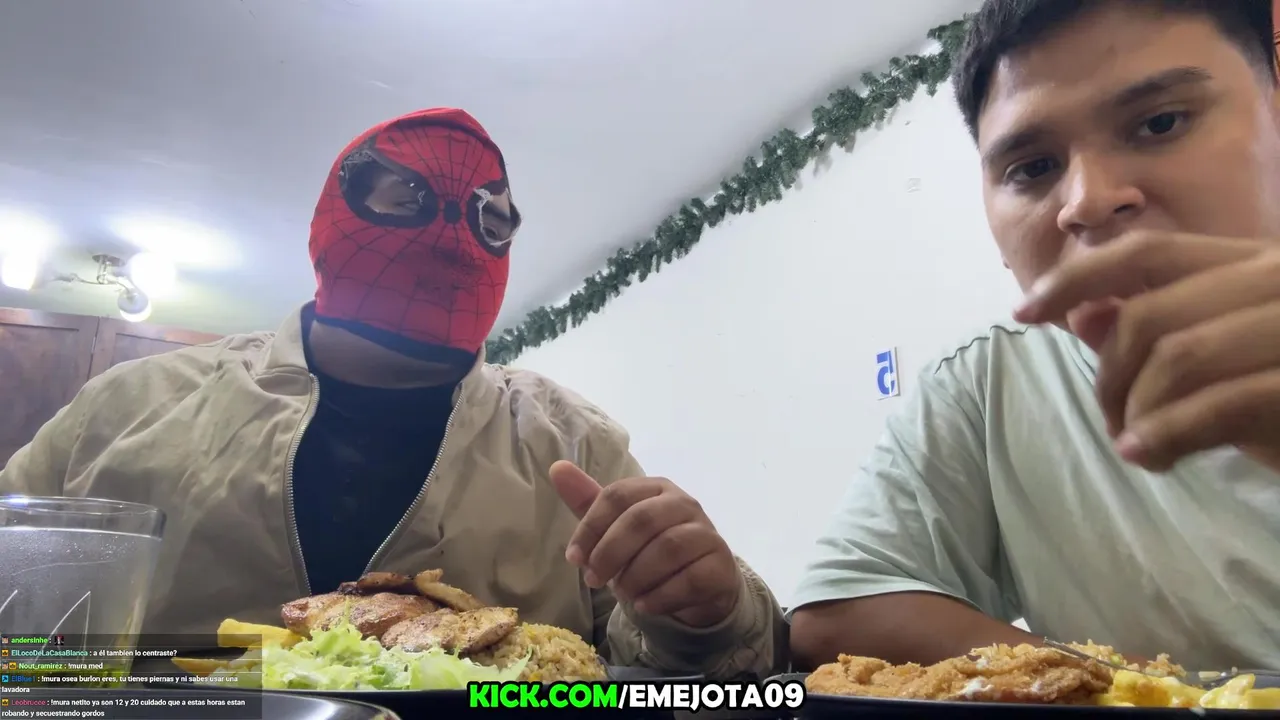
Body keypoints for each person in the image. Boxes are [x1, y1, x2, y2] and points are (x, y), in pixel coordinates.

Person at [0, 108, 786, 680]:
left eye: (492, 219)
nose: (454, 236)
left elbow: (686, 679)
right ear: (332, 216)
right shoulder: (130, 409)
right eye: (407, 197)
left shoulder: (575, 443)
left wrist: (709, 613)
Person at [789, 0, 1280, 672]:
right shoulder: (991, 382)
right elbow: (838, 613)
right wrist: (1135, 691)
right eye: (1033, 168)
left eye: (1160, 123)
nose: (1087, 200)